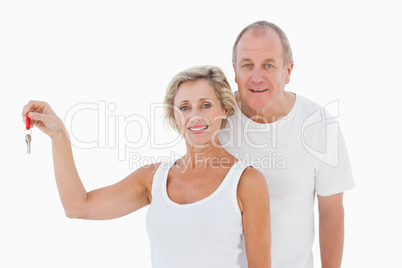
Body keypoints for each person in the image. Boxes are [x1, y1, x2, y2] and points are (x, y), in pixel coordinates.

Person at [22, 65, 271, 268]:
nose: (195, 116)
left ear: (225, 109)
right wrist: (59, 136)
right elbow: (78, 206)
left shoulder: (246, 182)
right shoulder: (154, 178)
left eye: (205, 105)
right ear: (175, 116)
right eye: (184, 107)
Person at [219, 21, 355, 268]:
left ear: (288, 71)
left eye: (268, 65)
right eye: (247, 65)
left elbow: (331, 212)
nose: (256, 77)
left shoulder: (320, 125)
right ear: (235, 72)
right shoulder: (215, 121)